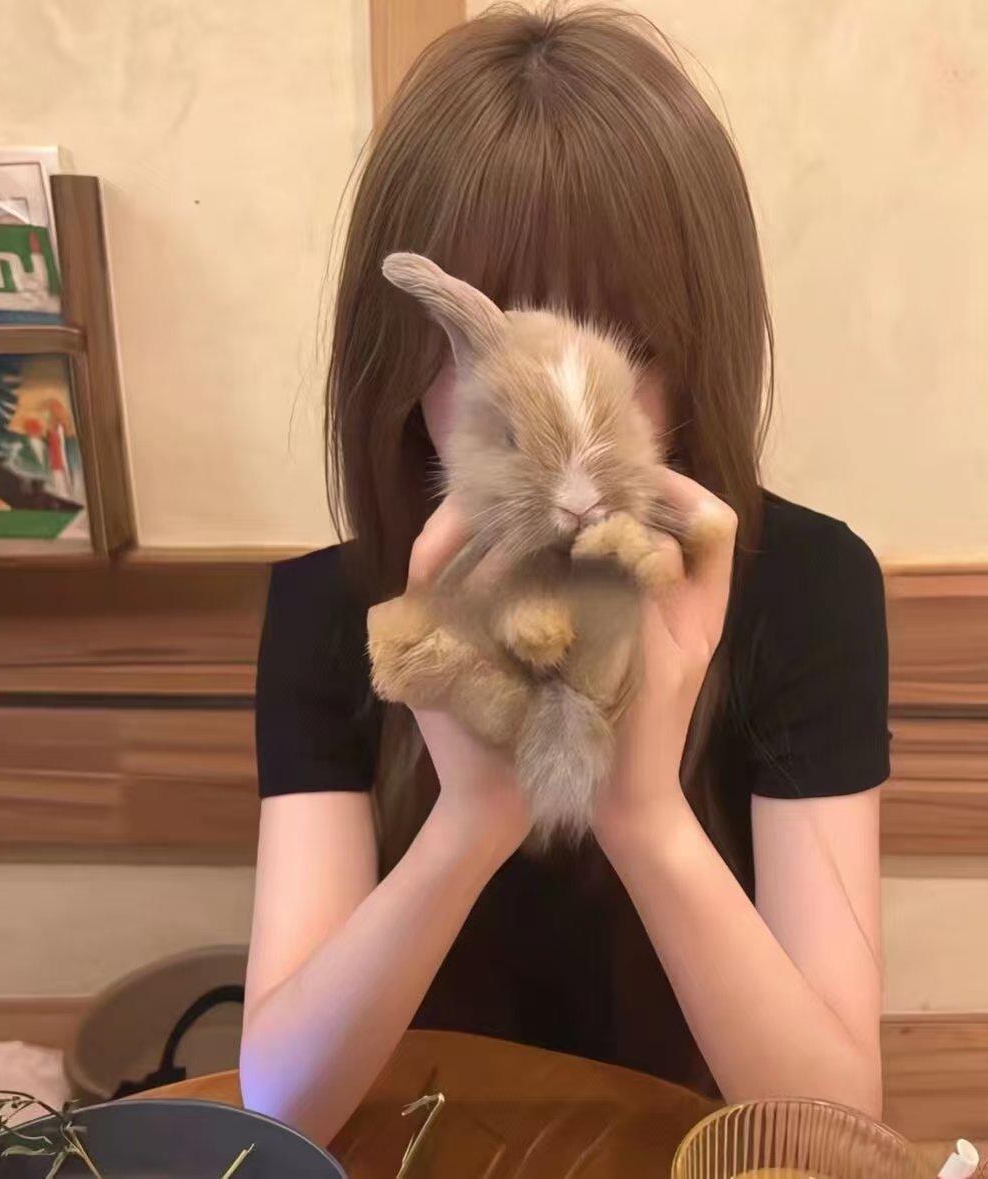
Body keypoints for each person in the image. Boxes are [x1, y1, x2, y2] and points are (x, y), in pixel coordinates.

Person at [239, 2, 891, 1147]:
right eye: (503, 358)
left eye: (619, 352)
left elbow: (833, 1128)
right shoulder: (334, 611)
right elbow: (280, 1101)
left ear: (694, 350)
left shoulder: (805, 588)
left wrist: (641, 809)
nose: (566, 438)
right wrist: (475, 812)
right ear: (408, 356)